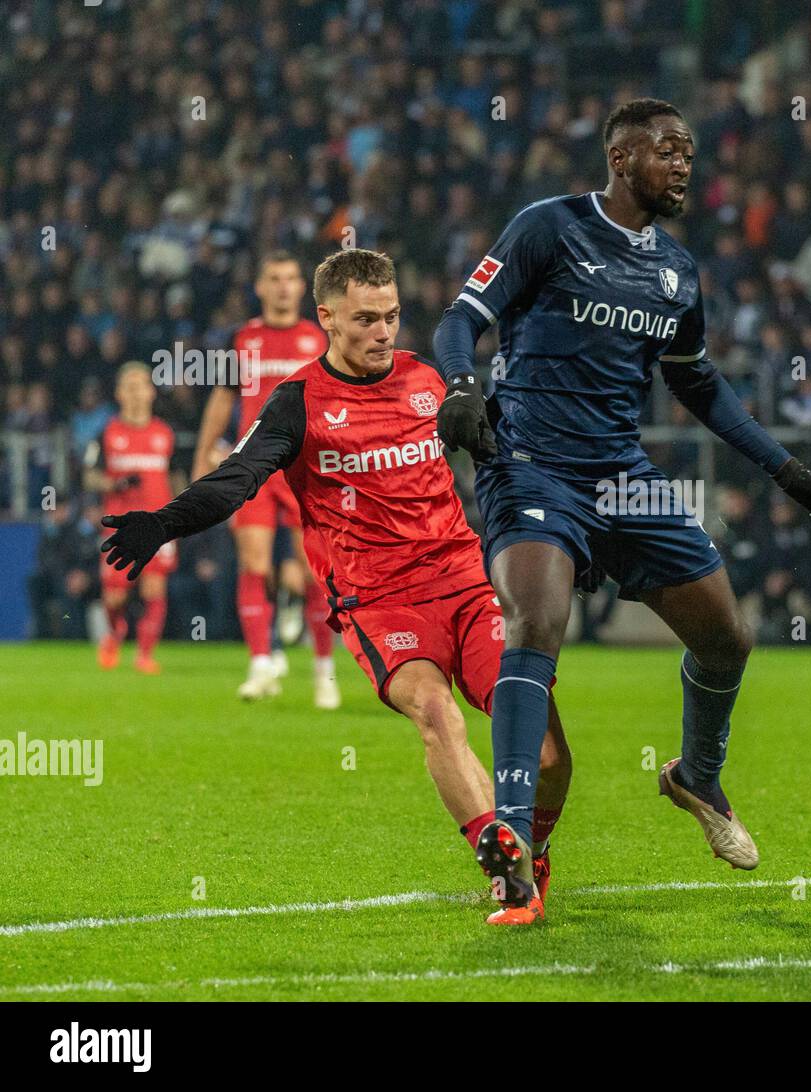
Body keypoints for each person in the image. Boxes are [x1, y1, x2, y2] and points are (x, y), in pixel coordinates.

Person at [433, 98, 811, 923]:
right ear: (621, 158)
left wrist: (787, 469)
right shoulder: (547, 229)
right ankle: (512, 845)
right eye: (668, 150)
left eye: (690, 150)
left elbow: (696, 384)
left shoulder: (676, 271)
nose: (685, 164)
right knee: (536, 625)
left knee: (728, 638)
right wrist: (460, 385)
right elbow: (460, 321)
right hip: (532, 469)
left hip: (624, 477)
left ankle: (697, 775)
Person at [100, 249, 572, 923]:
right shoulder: (297, 404)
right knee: (436, 713)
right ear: (326, 318)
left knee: (550, 754)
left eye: (392, 316)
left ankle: (534, 849)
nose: (384, 332)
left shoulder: (427, 380)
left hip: (467, 587)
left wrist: (567, 534)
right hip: (380, 603)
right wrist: (164, 522)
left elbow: (503, 459)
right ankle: (502, 866)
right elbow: (237, 479)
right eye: (366, 319)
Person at [191, 251, 338, 706]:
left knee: (313, 574)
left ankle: (323, 670)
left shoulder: (318, 339)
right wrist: (202, 455)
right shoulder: (243, 338)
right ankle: (259, 663)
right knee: (253, 562)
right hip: (251, 465)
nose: (282, 286)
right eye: (273, 278)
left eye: (291, 278)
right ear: (260, 286)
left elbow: (337, 401)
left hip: (303, 470)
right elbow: (222, 398)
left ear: (301, 288)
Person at [84, 362, 183, 673]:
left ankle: (144, 655)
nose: (136, 393)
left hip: (158, 523)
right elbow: (89, 475)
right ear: (119, 393)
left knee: (154, 587)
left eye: (141, 385)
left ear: (151, 392)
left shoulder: (165, 434)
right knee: (114, 596)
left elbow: (177, 477)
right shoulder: (107, 433)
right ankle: (115, 634)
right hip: (120, 524)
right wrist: (113, 483)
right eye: (130, 386)